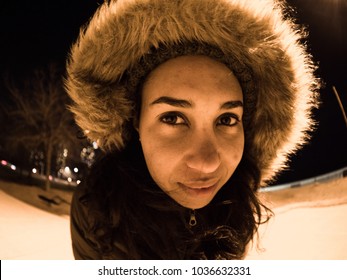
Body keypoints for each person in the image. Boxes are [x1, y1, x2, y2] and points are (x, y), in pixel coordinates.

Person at [65, 0, 319, 259]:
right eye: (173, 118)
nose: (207, 163)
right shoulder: (96, 210)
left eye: (227, 120)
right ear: (136, 122)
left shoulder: (237, 199)